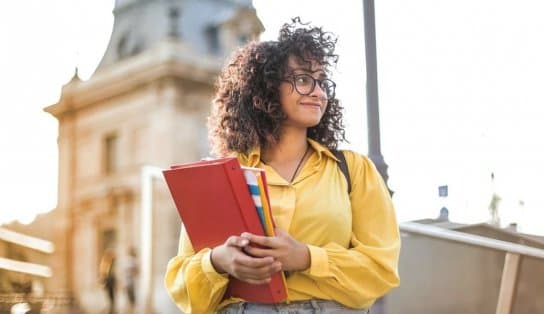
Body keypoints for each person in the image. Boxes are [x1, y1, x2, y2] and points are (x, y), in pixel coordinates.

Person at [165, 17, 400, 313]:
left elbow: (382, 269)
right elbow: (182, 285)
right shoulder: (224, 176)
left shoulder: (353, 170)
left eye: (322, 81)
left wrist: (305, 257)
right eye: (303, 79)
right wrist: (219, 261)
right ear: (267, 89)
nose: (318, 91)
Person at [99, 249, 116, 314]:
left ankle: (111, 308)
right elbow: (103, 273)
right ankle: (110, 308)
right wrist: (103, 281)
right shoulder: (105, 262)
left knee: (111, 295)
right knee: (110, 295)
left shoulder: (109, 263)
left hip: (110, 280)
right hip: (108, 280)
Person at [123, 247, 138, 311]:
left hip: (127, 282)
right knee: (132, 300)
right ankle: (131, 310)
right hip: (131, 283)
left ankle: (130, 310)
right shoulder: (132, 261)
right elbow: (136, 272)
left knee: (129, 299)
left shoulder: (127, 260)